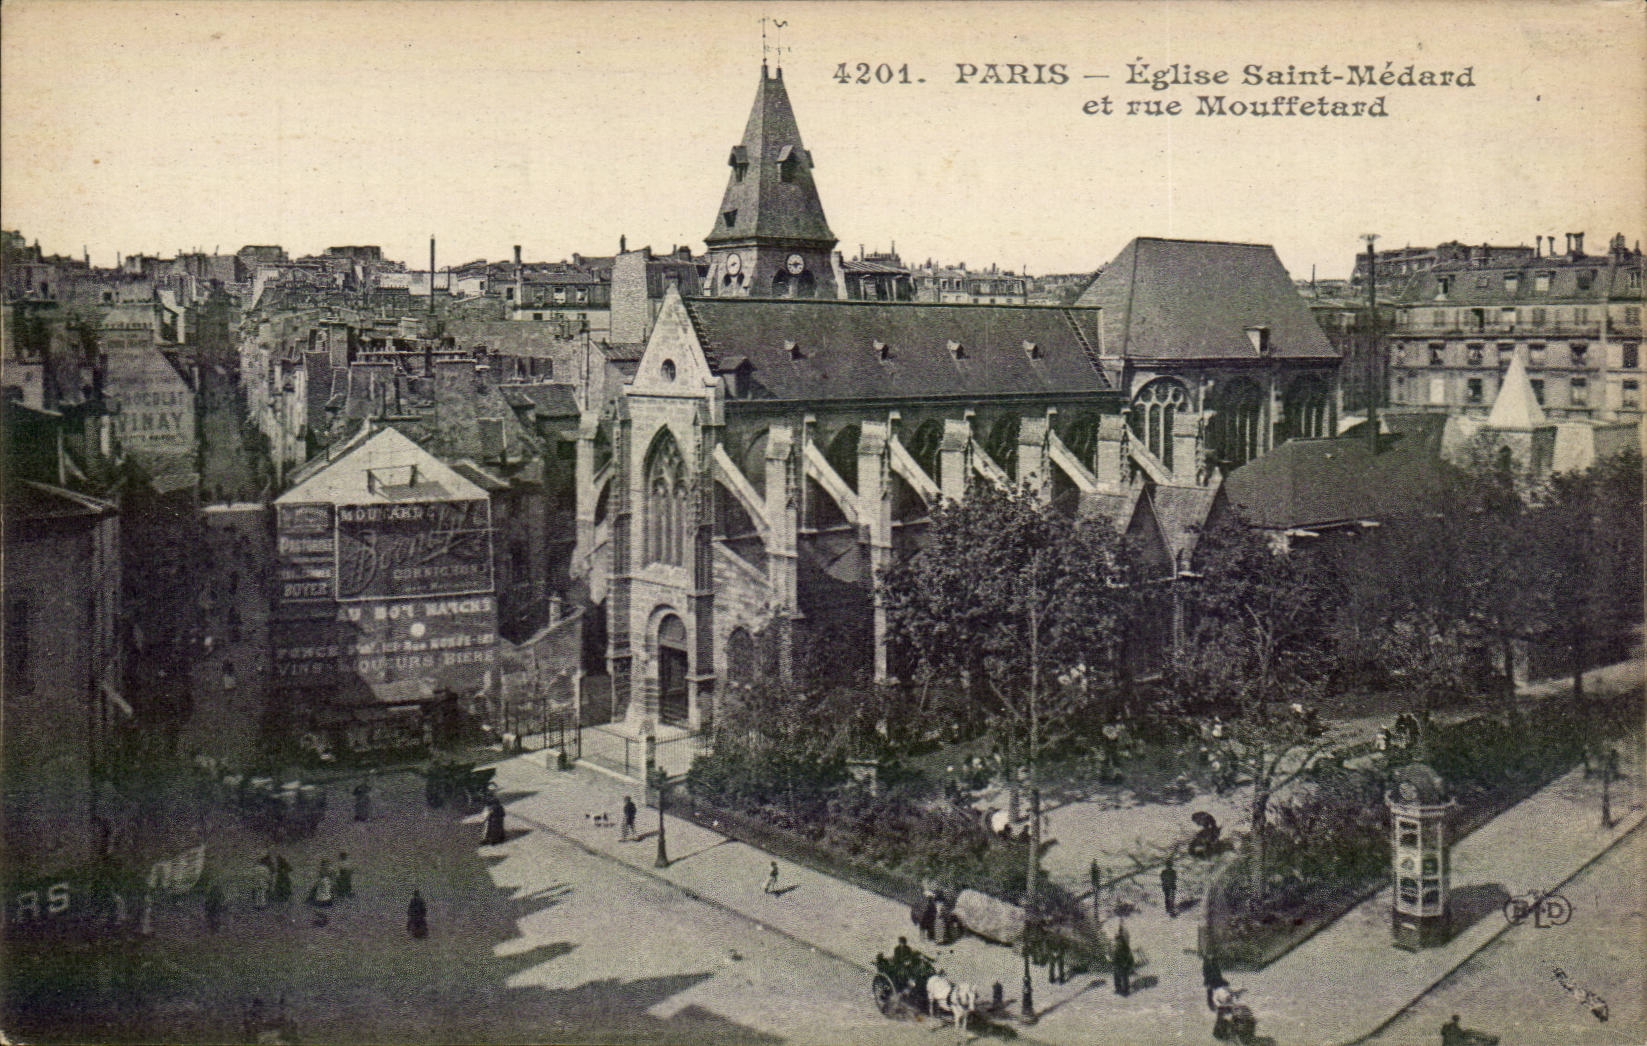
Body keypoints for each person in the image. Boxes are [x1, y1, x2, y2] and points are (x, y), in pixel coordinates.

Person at [1111, 923, 1134, 996]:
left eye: (1119, 942)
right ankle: (1118, 988)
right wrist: (1114, 963)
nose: (1118, 943)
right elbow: (1115, 957)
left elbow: (1129, 957)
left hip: (1125, 965)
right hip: (1118, 965)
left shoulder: (1125, 948)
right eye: (1117, 942)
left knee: (1124, 976)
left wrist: (1128, 965)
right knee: (1116, 975)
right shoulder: (1117, 949)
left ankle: (1126, 989)